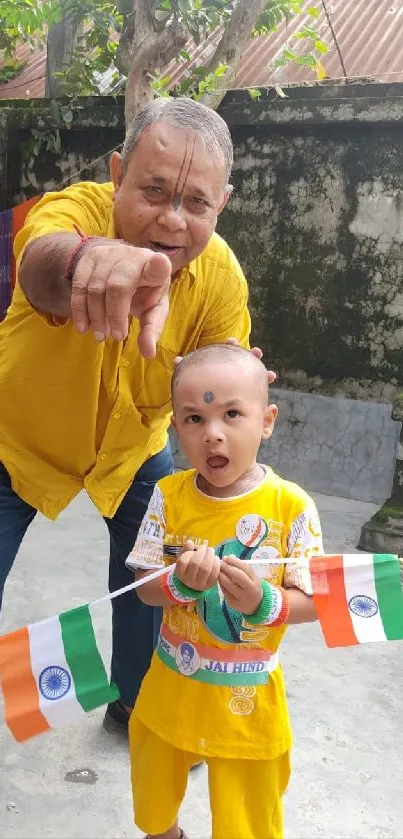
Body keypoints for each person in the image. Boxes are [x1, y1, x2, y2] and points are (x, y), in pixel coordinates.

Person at [0, 97, 274, 733]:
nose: (172, 221)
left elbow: (213, 382)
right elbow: (41, 266)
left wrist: (232, 388)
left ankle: (134, 702)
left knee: (159, 578)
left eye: (196, 204)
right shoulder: (69, 213)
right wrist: (83, 263)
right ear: (118, 170)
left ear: (221, 204)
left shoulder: (220, 277)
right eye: (152, 190)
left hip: (133, 453)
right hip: (14, 441)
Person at [127, 343, 324, 839]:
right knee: (152, 802)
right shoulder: (167, 497)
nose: (212, 433)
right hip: (171, 686)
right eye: (193, 418)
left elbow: (315, 600)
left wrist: (265, 602)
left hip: (247, 700)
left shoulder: (290, 506)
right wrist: (175, 583)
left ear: (267, 420)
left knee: (247, 823)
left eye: (231, 414)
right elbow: (144, 589)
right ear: (176, 428)